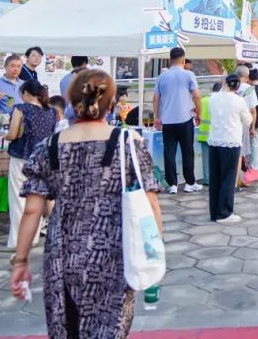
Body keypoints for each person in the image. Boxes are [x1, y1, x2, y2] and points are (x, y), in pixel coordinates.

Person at [9, 69, 163, 338]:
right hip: (113, 252)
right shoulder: (128, 144)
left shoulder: (49, 147)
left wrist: (20, 261)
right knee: (111, 326)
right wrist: (153, 252)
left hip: (62, 254)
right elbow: (150, 205)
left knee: (66, 326)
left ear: (71, 101)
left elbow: (32, 210)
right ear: (111, 103)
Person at [4, 80, 57, 250]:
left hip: (22, 157)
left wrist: (3, 136)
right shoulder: (52, 111)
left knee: (18, 200)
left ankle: (17, 241)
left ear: (26, 93)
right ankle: (33, 238)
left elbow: (13, 134)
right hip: (43, 158)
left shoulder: (21, 109)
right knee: (36, 200)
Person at [152, 47, 202, 194]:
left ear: (170, 60)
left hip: (167, 120)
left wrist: (157, 118)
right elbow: (197, 96)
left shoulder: (161, 77)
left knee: (169, 153)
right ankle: (189, 183)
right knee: (187, 152)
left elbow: (155, 99)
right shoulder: (189, 75)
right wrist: (199, 114)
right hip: (185, 119)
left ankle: (172, 185)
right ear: (183, 60)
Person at [207, 74, 252, 223]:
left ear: (225, 83)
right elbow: (248, 120)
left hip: (214, 140)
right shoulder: (239, 100)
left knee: (215, 177)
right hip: (231, 141)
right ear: (237, 87)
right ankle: (224, 213)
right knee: (228, 177)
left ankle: (214, 212)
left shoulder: (213, 98)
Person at [196, 83, 216, 186]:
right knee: (215, 158)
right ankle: (215, 178)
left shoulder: (203, 100)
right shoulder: (218, 101)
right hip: (215, 134)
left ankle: (207, 179)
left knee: (205, 159)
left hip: (203, 134)